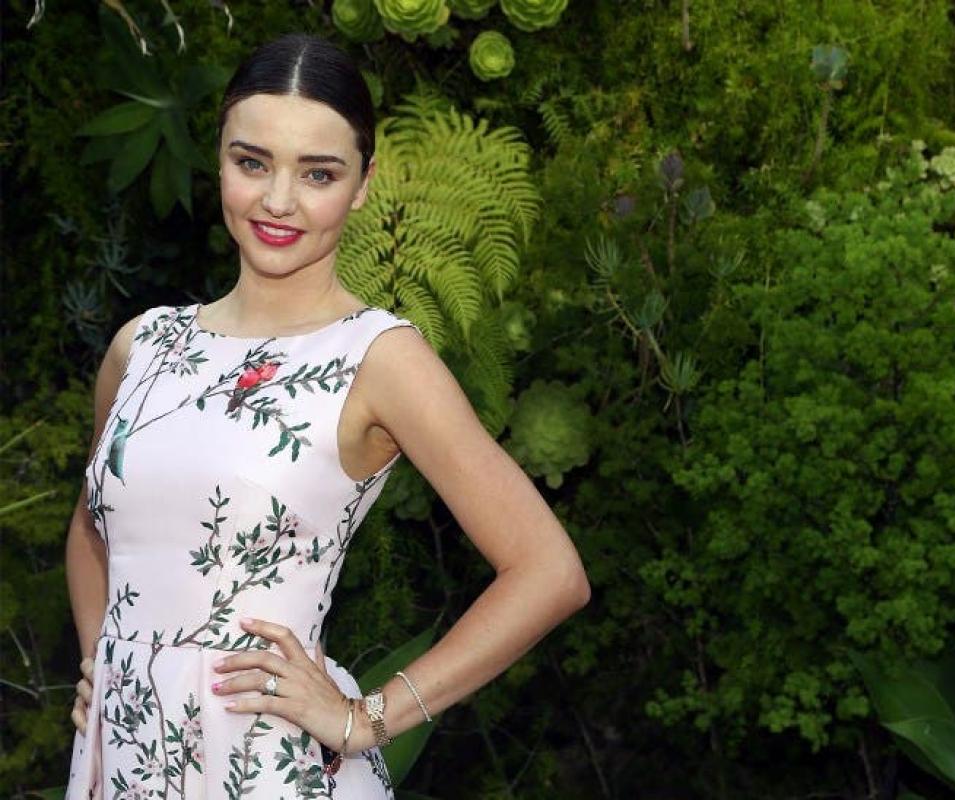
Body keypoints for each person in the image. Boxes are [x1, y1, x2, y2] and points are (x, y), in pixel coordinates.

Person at [64, 32, 591, 798]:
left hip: (266, 767)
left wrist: (364, 720)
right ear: (219, 160)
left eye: (318, 173)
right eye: (252, 162)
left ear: (363, 184)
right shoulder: (141, 346)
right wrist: (102, 663)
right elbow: (92, 527)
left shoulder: (378, 358)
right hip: (121, 762)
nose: (278, 201)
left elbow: (549, 571)